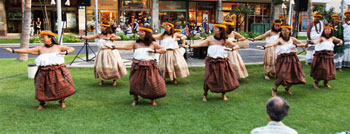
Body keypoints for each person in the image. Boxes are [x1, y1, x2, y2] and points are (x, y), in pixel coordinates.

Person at [3, 31, 76, 110]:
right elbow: (28, 50)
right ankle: (42, 103)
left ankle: (62, 102)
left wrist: (66, 52)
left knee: (60, 85)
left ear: (50, 37)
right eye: (42, 37)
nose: (42, 39)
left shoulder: (58, 47)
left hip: (57, 70)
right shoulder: (40, 48)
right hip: (43, 71)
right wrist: (13, 50)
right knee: (40, 86)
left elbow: (72, 48)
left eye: (44, 37)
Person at [112, 26, 167, 106]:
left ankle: (152, 100)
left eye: (142, 32)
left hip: (150, 66)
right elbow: (125, 47)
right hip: (137, 66)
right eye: (139, 32)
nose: (139, 33)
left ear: (147, 34)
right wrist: (114, 47)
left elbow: (164, 50)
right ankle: (135, 99)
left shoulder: (153, 43)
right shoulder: (136, 43)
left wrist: (155, 51)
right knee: (135, 83)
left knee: (151, 82)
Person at [185, 24, 240, 102]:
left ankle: (223, 94)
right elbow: (199, 44)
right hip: (211, 61)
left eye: (216, 29)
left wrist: (232, 49)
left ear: (220, 31)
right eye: (214, 28)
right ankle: (205, 95)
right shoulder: (210, 39)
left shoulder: (225, 40)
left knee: (223, 78)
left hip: (222, 62)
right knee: (208, 78)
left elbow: (236, 46)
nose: (214, 30)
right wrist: (189, 46)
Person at [79, 22, 127, 86]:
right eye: (101, 26)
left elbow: (119, 38)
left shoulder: (111, 35)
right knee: (101, 67)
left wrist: (110, 38)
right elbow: (89, 37)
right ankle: (102, 80)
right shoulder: (99, 35)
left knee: (112, 66)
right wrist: (81, 37)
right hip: (101, 53)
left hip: (111, 52)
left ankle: (114, 80)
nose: (101, 28)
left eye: (103, 27)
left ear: (106, 28)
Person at [264, 25, 308, 96]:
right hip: (282, 59)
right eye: (283, 30)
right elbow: (272, 44)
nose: (284, 31)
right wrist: (264, 47)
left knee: (293, 74)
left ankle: (287, 89)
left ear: (289, 31)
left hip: (292, 58)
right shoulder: (280, 39)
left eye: (286, 30)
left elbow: (302, 44)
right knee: (282, 74)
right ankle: (274, 89)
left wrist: (296, 46)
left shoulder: (292, 39)